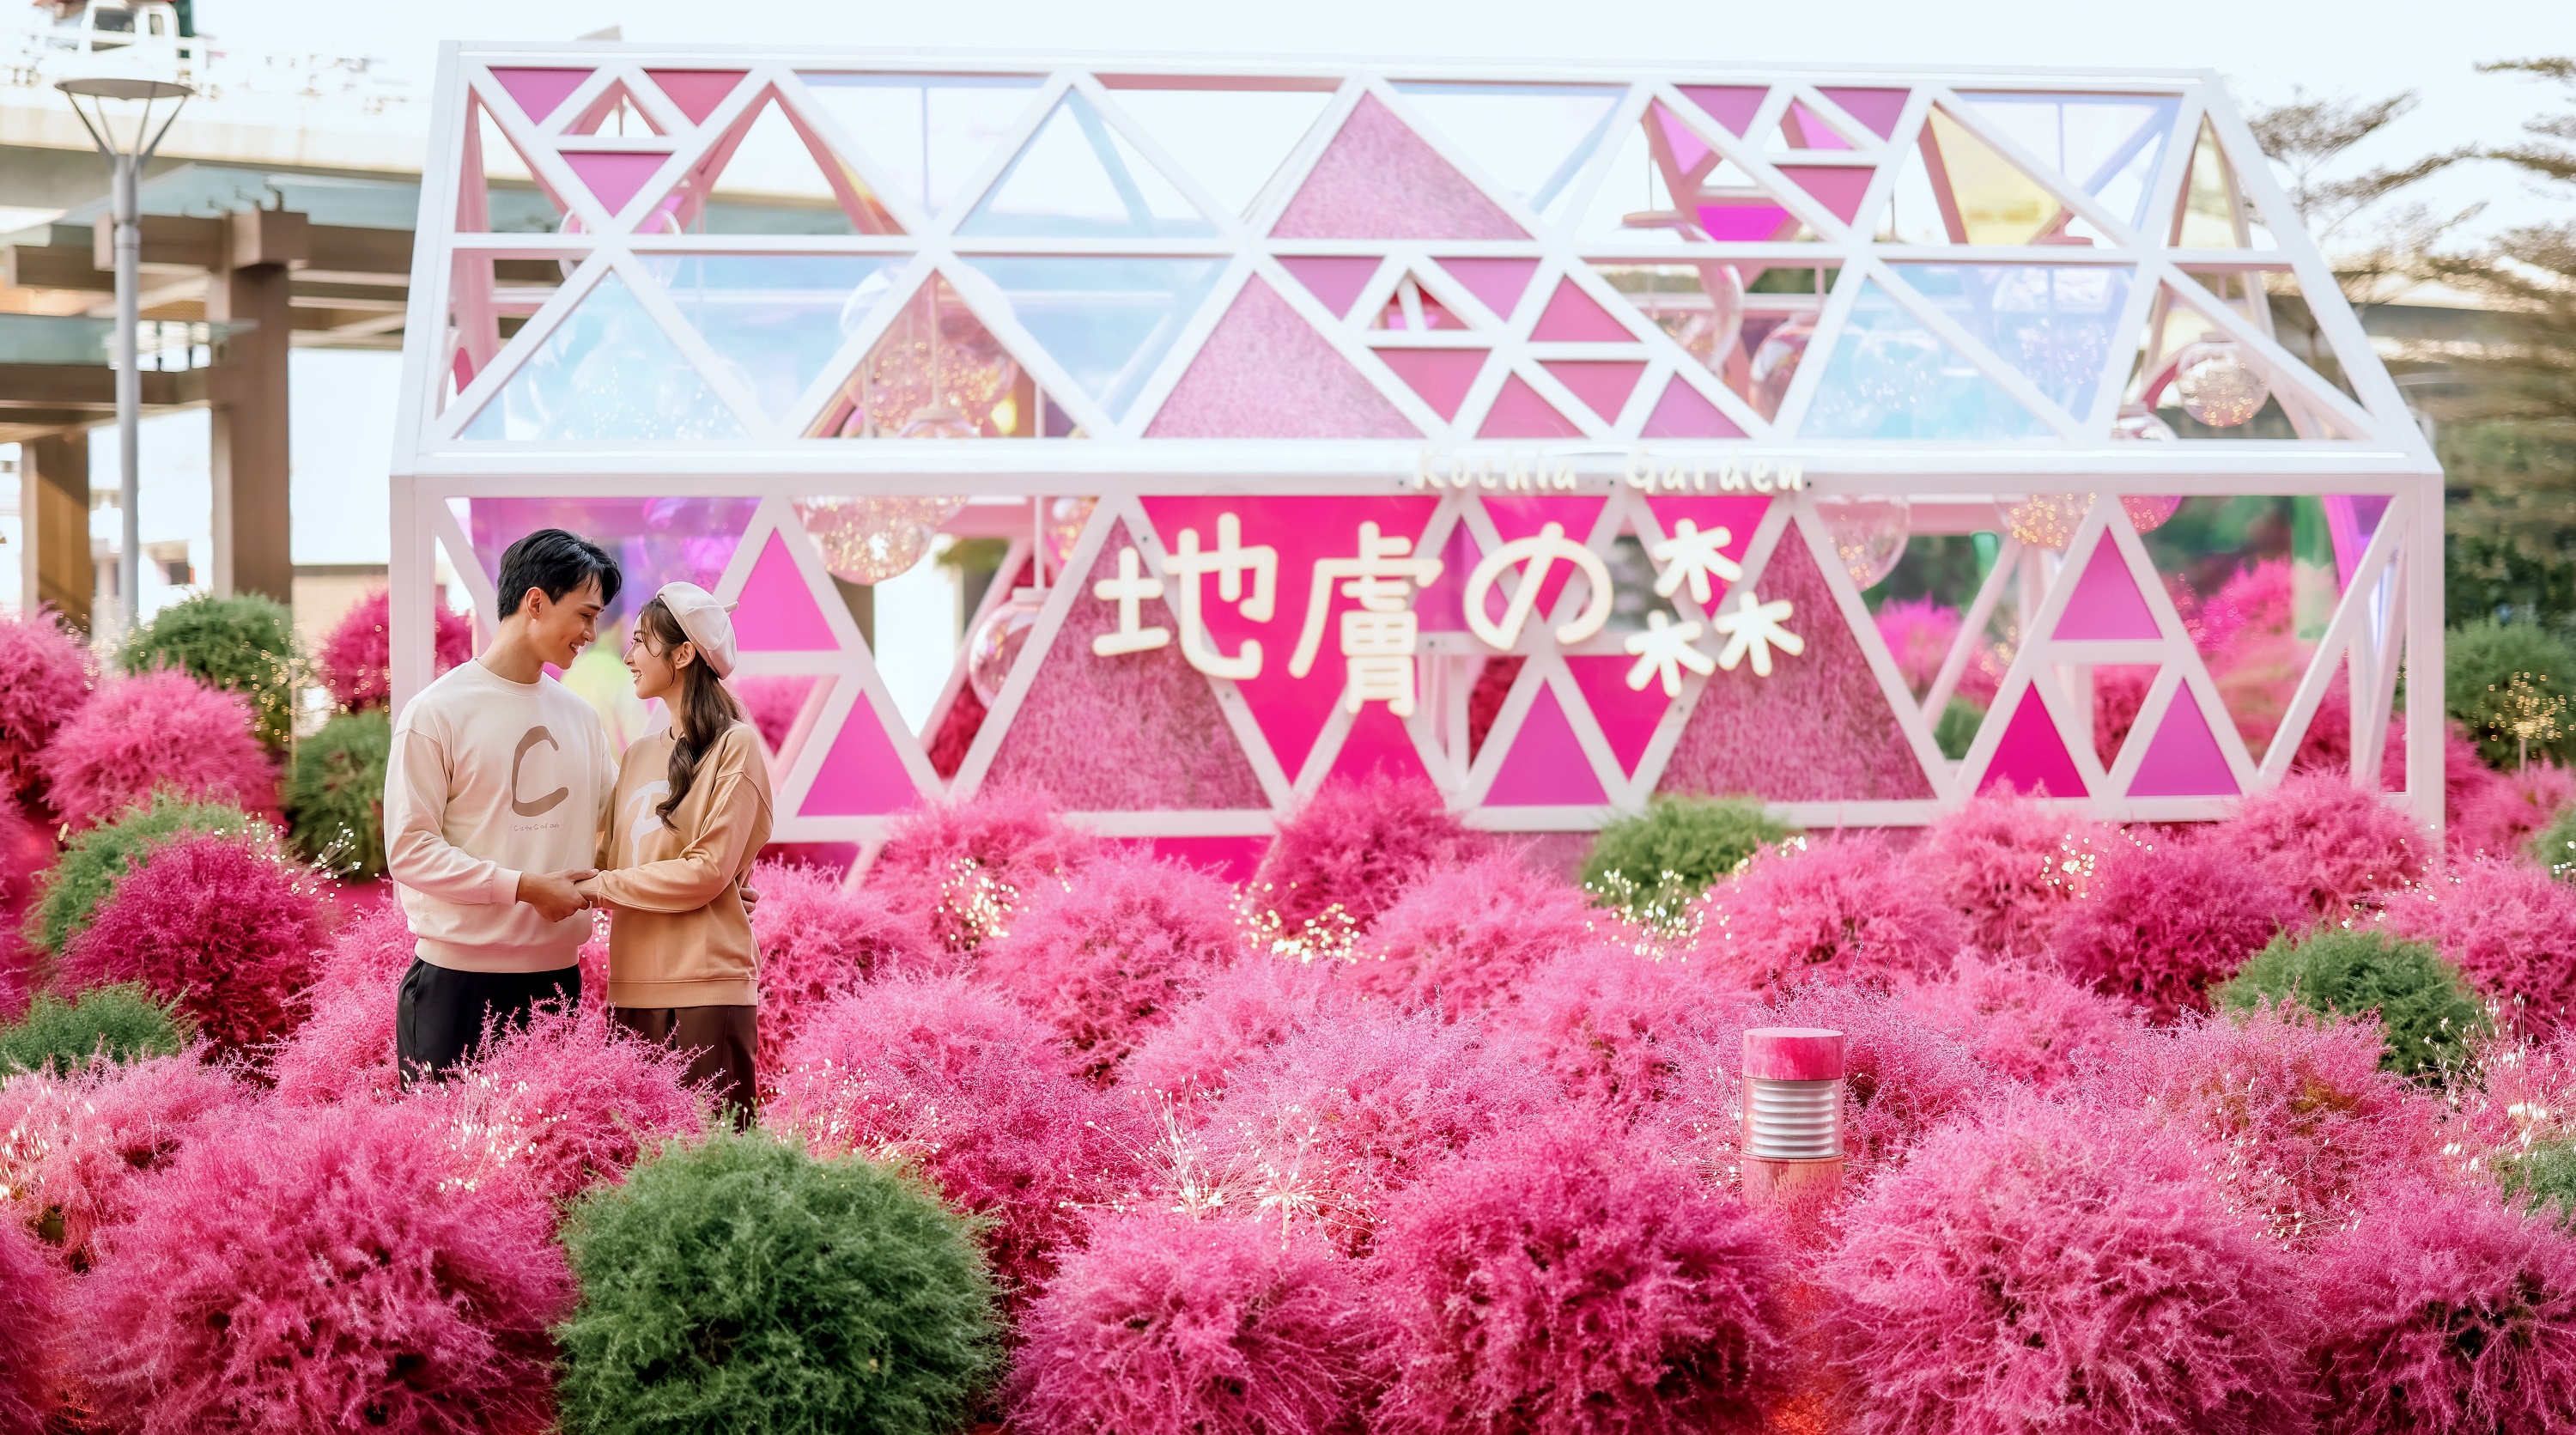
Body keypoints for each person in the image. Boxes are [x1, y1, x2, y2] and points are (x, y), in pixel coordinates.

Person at [384, 529, 621, 1084]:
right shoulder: (436, 713)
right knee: (445, 1161)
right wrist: (524, 886)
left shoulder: (581, 718)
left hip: (556, 985)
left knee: (557, 1170)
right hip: (456, 984)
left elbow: (619, 831)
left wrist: (708, 883)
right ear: (535, 601)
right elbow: (410, 851)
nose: (591, 633)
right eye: (585, 614)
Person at [579, 581, 773, 1124]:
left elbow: (706, 872)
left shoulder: (737, 746)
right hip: (630, 989)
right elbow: (610, 861)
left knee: (715, 1180)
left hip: (707, 989)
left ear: (684, 652)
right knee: (639, 1178)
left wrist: (598, 888)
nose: (628, 653)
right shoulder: (639, 755)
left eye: (642, 641)